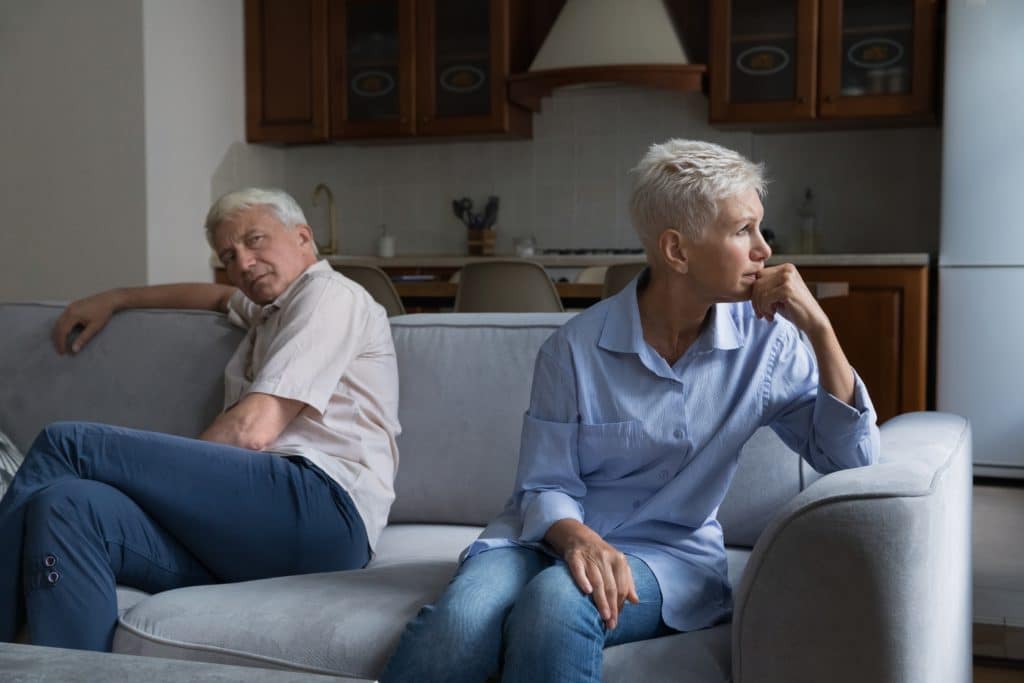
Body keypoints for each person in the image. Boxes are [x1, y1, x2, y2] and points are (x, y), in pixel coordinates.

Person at [382, 139, 880, 683]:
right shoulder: (574, 348)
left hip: (670, 555)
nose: (764, 249)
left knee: (559, 599)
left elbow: (850, 457)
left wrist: (821, 330)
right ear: (677, 251)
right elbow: (545, 482)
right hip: (551, 537)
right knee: (462, 620)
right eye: (743, 231)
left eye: (760, 228)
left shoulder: (770, 346)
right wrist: (578, 538)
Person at [0, 188, 401, 651]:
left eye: (256, 241)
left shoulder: (330, 296)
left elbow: (253, 430)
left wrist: (162, 486)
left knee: (67, 444)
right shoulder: (269, 312)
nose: (244, 263)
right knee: (68, 506)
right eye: (229, 255)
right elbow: (217, 297)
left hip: (320, 508)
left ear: (303, 237)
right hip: (247, 533)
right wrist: (117, 297)